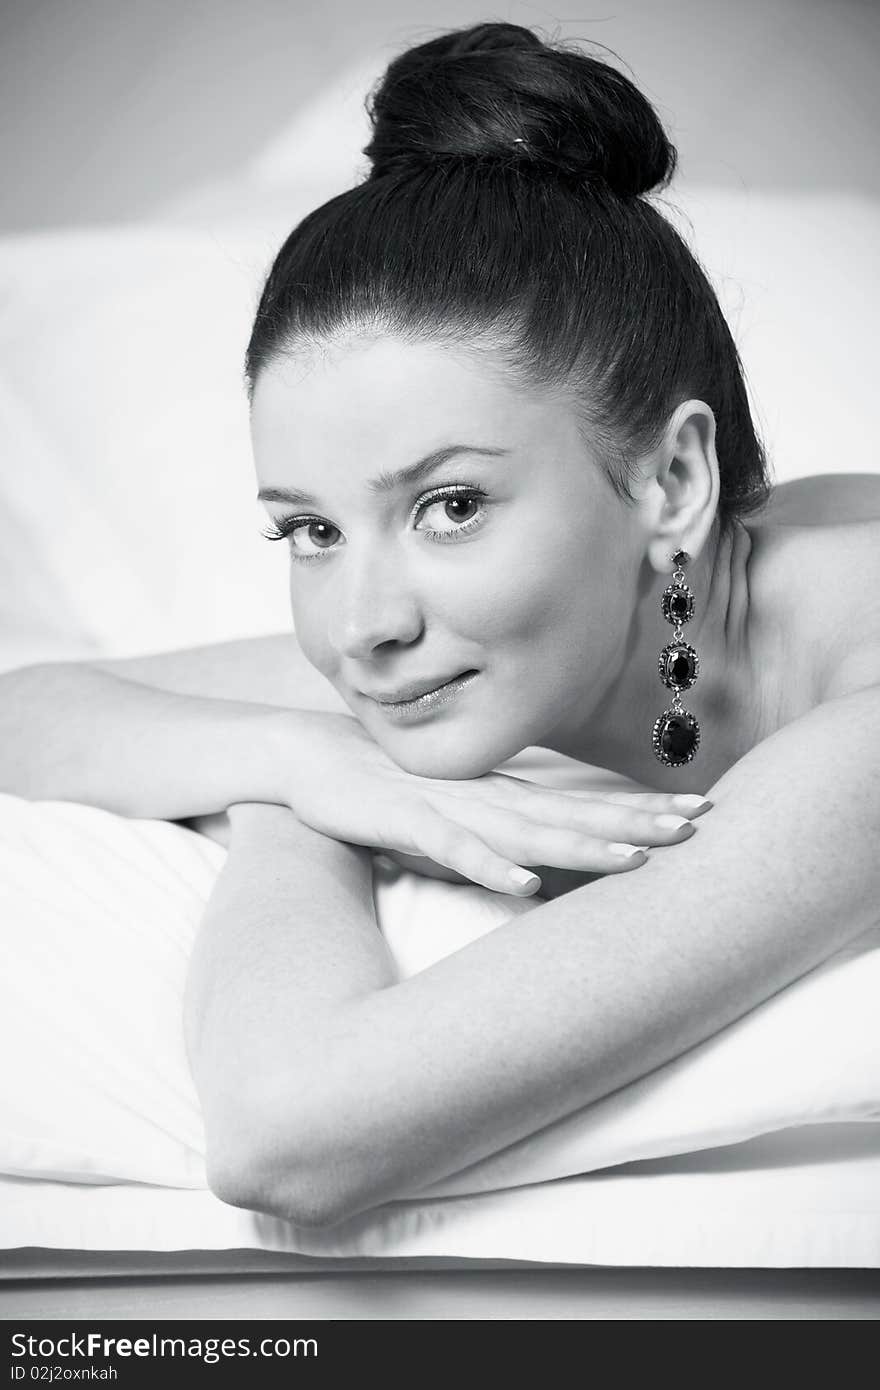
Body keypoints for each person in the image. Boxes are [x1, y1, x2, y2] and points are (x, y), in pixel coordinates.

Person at [1, 21, 878, 1230]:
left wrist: (282, 824)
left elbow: (283, 1132)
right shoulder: (596, 627)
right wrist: (310, 763)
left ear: (671, 480)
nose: (360, 626)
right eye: (308, 531)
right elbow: (26, 713)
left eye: (449, 506)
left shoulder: (861, 735)